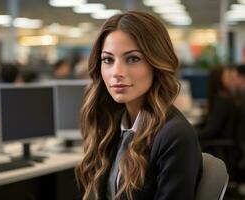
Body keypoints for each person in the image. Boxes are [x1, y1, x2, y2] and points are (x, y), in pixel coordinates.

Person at [75, 11, 202, 200]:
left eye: (133, 59)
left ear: (156, 63)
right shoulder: (113, 124)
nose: (117, 72)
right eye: (108, 60)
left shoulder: (174, 136)